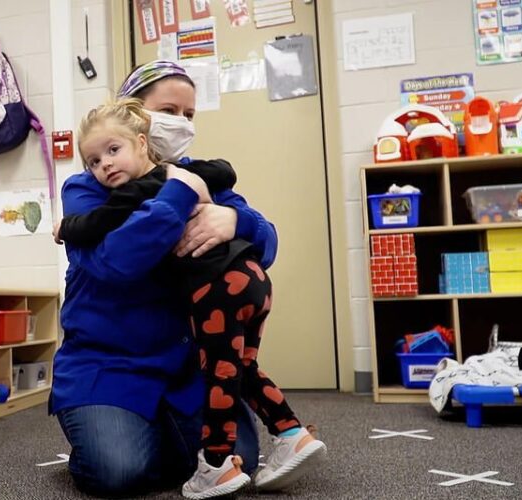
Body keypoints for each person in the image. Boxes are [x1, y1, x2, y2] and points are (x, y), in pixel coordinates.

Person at [55, 97, 327, 498]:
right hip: (111, 364)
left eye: (189, 113)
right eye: (169, 109)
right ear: (138, 110)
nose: (180, 122)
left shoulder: (194, 172)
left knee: (242, 460)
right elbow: (118, 260)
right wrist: (181, 193)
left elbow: (265, 237)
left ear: (141, 141)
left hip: (186, 357)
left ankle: (188, 447)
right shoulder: (90, 187)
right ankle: (141, 440)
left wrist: (236, 219)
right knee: (117, 472)